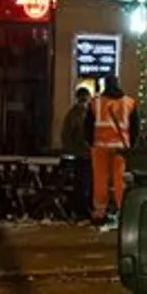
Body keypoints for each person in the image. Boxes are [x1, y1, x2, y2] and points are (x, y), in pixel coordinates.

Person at [84, 75, 138, 226]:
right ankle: (123, 212)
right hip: (120, 148)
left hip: (100, 147)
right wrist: (130, 145)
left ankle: (100, 213)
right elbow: (135, 128)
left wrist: (91, 142)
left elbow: (87, 126)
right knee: (120, 180)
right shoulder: (129, 102)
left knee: (100, 179)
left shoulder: (96, 103)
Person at [60, 86, 93, 220]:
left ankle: (81, 210)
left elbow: (66, 135)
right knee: (84, 183)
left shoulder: (73, 114)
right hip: (84, 155)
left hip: (81, 154)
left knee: (82, 184)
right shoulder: (84, 113)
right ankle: (82, 210)